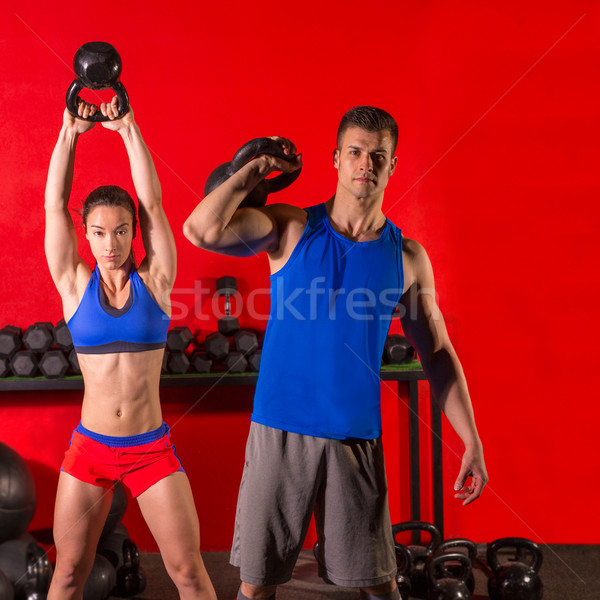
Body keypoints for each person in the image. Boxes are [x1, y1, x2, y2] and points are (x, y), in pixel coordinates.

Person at [183, 106, 488, 600]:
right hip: (279, 431)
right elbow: (200, 230)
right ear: (336, 160)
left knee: (378, 586)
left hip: (355, 440)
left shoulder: (406, 257)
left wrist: (469, 437)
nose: (365, 163)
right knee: (257, 585)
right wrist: (257, 167)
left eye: (377, 155)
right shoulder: (292, 228)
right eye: (355, 152)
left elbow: (437, 354)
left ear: (392, 166)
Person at [45, 97, 217, 600]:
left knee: (189, 574)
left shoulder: (156, 281)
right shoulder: (74, 285)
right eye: (99, 233)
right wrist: (70, 134)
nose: (111, 244)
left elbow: (154, 204)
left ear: (132, 232)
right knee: (68, 576)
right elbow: (54, 204)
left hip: (150, 450)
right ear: (87, 236)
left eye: (121, 231)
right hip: (90, 451)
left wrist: (128, 128)